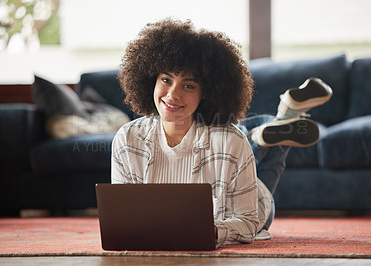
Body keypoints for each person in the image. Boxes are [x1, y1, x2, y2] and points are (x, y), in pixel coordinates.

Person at [111, 18, 332, 246]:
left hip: (250, 203)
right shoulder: (128, 139)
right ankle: (281, 117)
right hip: (227, 157)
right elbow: (123, 219)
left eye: (188, 85)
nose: (172, 94)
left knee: (269, 161)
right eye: (166, 79)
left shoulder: (230, 140)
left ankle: (278, 123)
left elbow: (247, 223)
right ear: (151, 79)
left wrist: (209, 231)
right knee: (247, 146)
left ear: (206, 92)